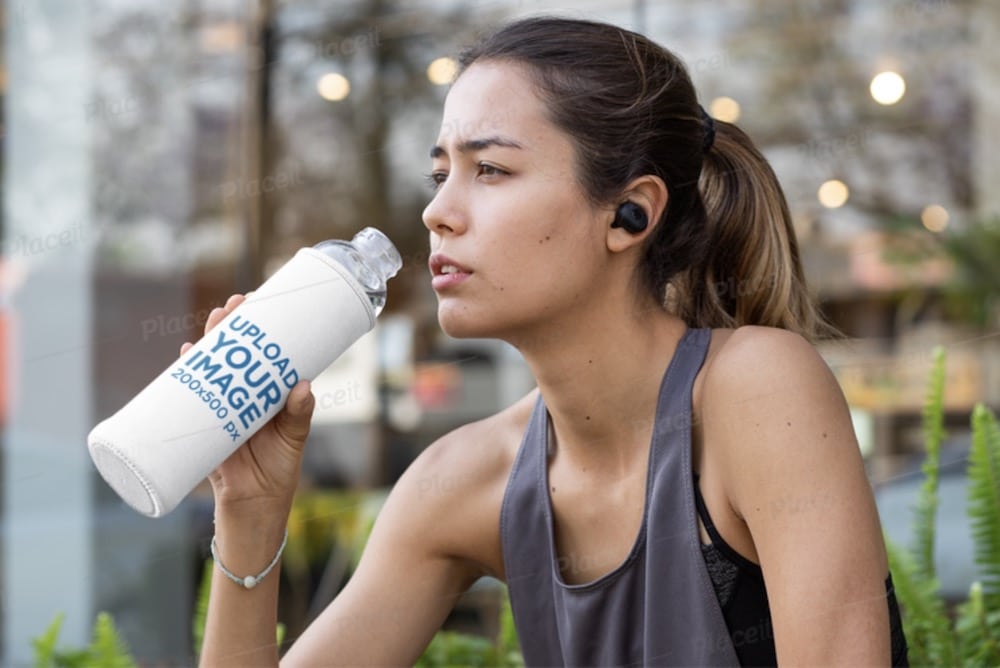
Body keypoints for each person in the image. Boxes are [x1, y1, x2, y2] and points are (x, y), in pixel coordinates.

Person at [194, 15, 908, 667]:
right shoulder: (465, 479)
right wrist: (250, 511)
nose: (437, 211)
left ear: (630, 215)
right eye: (441, 174)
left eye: (491, 170)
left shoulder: (757, 389)